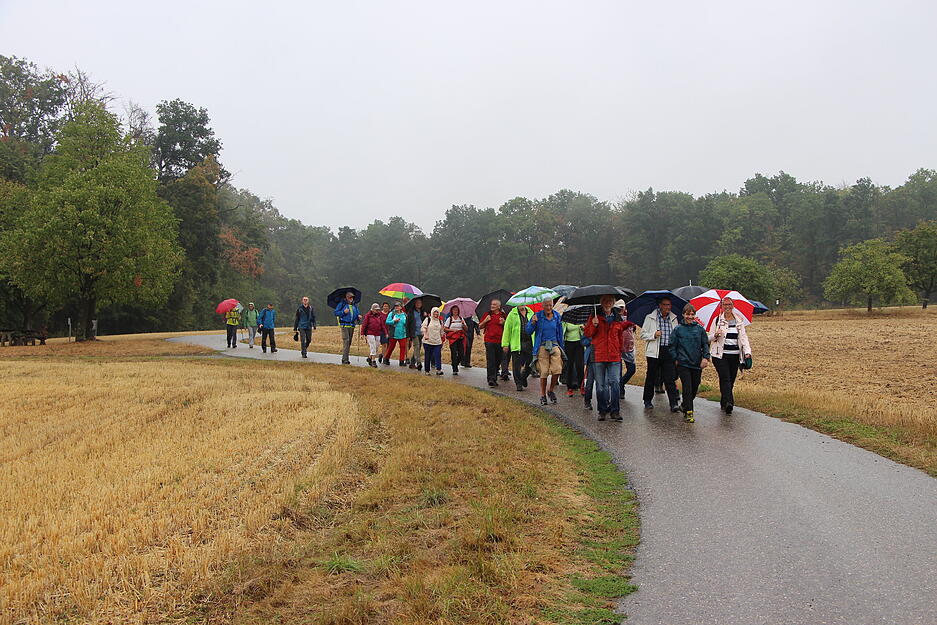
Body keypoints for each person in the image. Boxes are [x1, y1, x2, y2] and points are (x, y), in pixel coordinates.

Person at [584, 295, 627, 421]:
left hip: (614, 356)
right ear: (602, 303)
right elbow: (587, 334)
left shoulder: (618, 318)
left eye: (610, 301)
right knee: (600, 386)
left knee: (615, 383)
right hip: (599, 355)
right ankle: (602, 410)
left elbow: (620, 336)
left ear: (613, 303)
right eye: (605, 301)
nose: (608, 303)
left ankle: (615, 411)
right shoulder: (595, 316)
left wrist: (619, 351)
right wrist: (594, 325)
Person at [708, 297, 752, 415]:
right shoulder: (717, 320)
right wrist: (715, 335)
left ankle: (724, 401)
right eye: (725, 304)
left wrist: (747, 352)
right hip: (719, 355)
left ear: (733, 306)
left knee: (731, 379)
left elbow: (743, 338)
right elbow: (708, 337)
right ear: (721, 306)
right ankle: (729, 402)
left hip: (735, 355)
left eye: (729, 304)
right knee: (725, 378)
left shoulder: (739, 321)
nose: (727, 307)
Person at [670, 304, 711, 423]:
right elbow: (672, 345)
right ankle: (689, 412)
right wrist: (675, 358)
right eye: (688, 314)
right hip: (683, 363)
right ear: (683, 314)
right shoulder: (678, 329)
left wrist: (705, 358)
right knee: (687, 388)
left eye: (692, 314)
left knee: (694, 387)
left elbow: (705, 344)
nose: (690, 317)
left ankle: (684, 405)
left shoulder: (700, 329)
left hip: (696, 363)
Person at [641, 297, 680, 411]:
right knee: (651, 377)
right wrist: (653, 335)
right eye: (665, 305)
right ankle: (647, 400)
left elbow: (677, 334)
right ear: (660, 305)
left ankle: (673, 403)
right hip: (654, 351)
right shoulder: (650, 318)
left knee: (670, 378)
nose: (668, 307)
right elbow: (643, 334)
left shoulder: (673, 318)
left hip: (669, 351)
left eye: (669, 305)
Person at [527, 295, 564, 405]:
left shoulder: (557, 316)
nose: (549, 307)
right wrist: (533, 323)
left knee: (558, 369)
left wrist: (562, 348)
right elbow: (528, 331)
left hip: (554, 345)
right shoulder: (537, 316)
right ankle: (542, 395)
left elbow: (560, 333)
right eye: (546, 305)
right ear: (542, 306)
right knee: (544, 372)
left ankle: (551, 390)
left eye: (550, 305)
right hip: (542, 346)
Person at [502, 304, 535, 391]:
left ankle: (523, 376)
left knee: (531, 363)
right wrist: (505, 344)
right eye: (520, 303)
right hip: (517, 343)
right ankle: (518, 383)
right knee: (516, 365)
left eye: (523, 303)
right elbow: (507, 329)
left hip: (529, 342)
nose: (521, 305)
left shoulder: (531, 313)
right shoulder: (512, 314)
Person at [478, 299, 508, 387]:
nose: (492, 306)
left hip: (500, 341)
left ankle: (495, 375)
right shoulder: (487, 314)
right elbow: (480, 326)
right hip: (489, 341)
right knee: (491, 360)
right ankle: (491, 379)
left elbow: (508, 327)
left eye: (494, 304)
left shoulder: (503, 315)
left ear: (499, 306)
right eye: (491, 304)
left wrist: (504, 323)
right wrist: (485, 320)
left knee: (498, 360)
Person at [617, 299, 637, 398]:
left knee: (632, 369)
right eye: (619, 307)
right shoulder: (614, 319)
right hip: (618, 348)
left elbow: (633, 329)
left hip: (629, 347)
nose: (621, 309)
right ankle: (621, 390)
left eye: (622, 307)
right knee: (618, 372)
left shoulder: (630, 317)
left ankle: (621, 383)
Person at [334, 291, 361, 365]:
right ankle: (345, 359)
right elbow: (336, 313)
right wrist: (343, 312)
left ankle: (346, 358)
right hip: (344, 325)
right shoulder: (342, 304)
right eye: (350, 297)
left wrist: (358, 316)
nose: (351, 299)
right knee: (346, 341)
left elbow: (357, 313)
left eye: (352, 297)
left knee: (349, 343)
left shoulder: (354, 305)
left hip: (352, 326)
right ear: (346, 298)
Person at [562, 317, 585, 396]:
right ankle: (569, 387)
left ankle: (581, 386)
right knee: (570, 366)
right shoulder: (566, 320)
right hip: (569, 344)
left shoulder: (579, 320)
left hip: (579, 344)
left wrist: (583, 329)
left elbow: (584, 332)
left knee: (579, 365)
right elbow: (562, 331)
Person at [421, 306, 446, 375]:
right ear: (432, 313)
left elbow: (442, 331)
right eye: (434, 312)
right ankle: (427, 371)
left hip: (437, 342)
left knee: (438, 355)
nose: (436, 314)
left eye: (437, 312)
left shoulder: (440, 321)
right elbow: (423, 328)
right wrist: (425, 334)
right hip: (428, 341)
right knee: (428, 356)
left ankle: (438, 370)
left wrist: (442, 339)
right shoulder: (428, 319)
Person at [444, 305, 467, 375]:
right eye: (454, 310)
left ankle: (455, 363)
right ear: (451, 311)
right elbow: (445, 329)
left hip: (460, 338)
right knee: (454, 353)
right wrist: (452, 330)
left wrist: (463, 324)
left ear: (458, 311)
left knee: (461, 353)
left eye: (456, 310)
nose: (455, 311)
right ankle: (455, 369)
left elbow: (466, 329)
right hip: (453, 339)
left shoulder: (461, 318)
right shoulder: (449, 319)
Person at [360, 303, 385, 367]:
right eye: (376, 310)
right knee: (373, 346)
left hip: (378, 333)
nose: (377, 311)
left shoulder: (379, 316)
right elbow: (364, 325)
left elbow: (382, 324)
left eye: (378, 309)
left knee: (376, 346)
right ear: (372, 309)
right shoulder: (368, 316)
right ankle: (373, 361)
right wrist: (362, 333)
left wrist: (385, 332)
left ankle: (369, 357)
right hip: (370, 333)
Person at [407, 298, 428, 371]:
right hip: (414, 332)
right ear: (414, 304)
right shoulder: (411, 312)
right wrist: (408, 335)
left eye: (420, 303)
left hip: (421, 332)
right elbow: (407, 324)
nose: (418, 304)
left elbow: (425, 322)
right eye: (417, 303)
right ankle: (419, 362)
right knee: (416, 346)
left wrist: (425, 316)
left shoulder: (423, 312)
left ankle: (412, 363)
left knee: (418, 348)